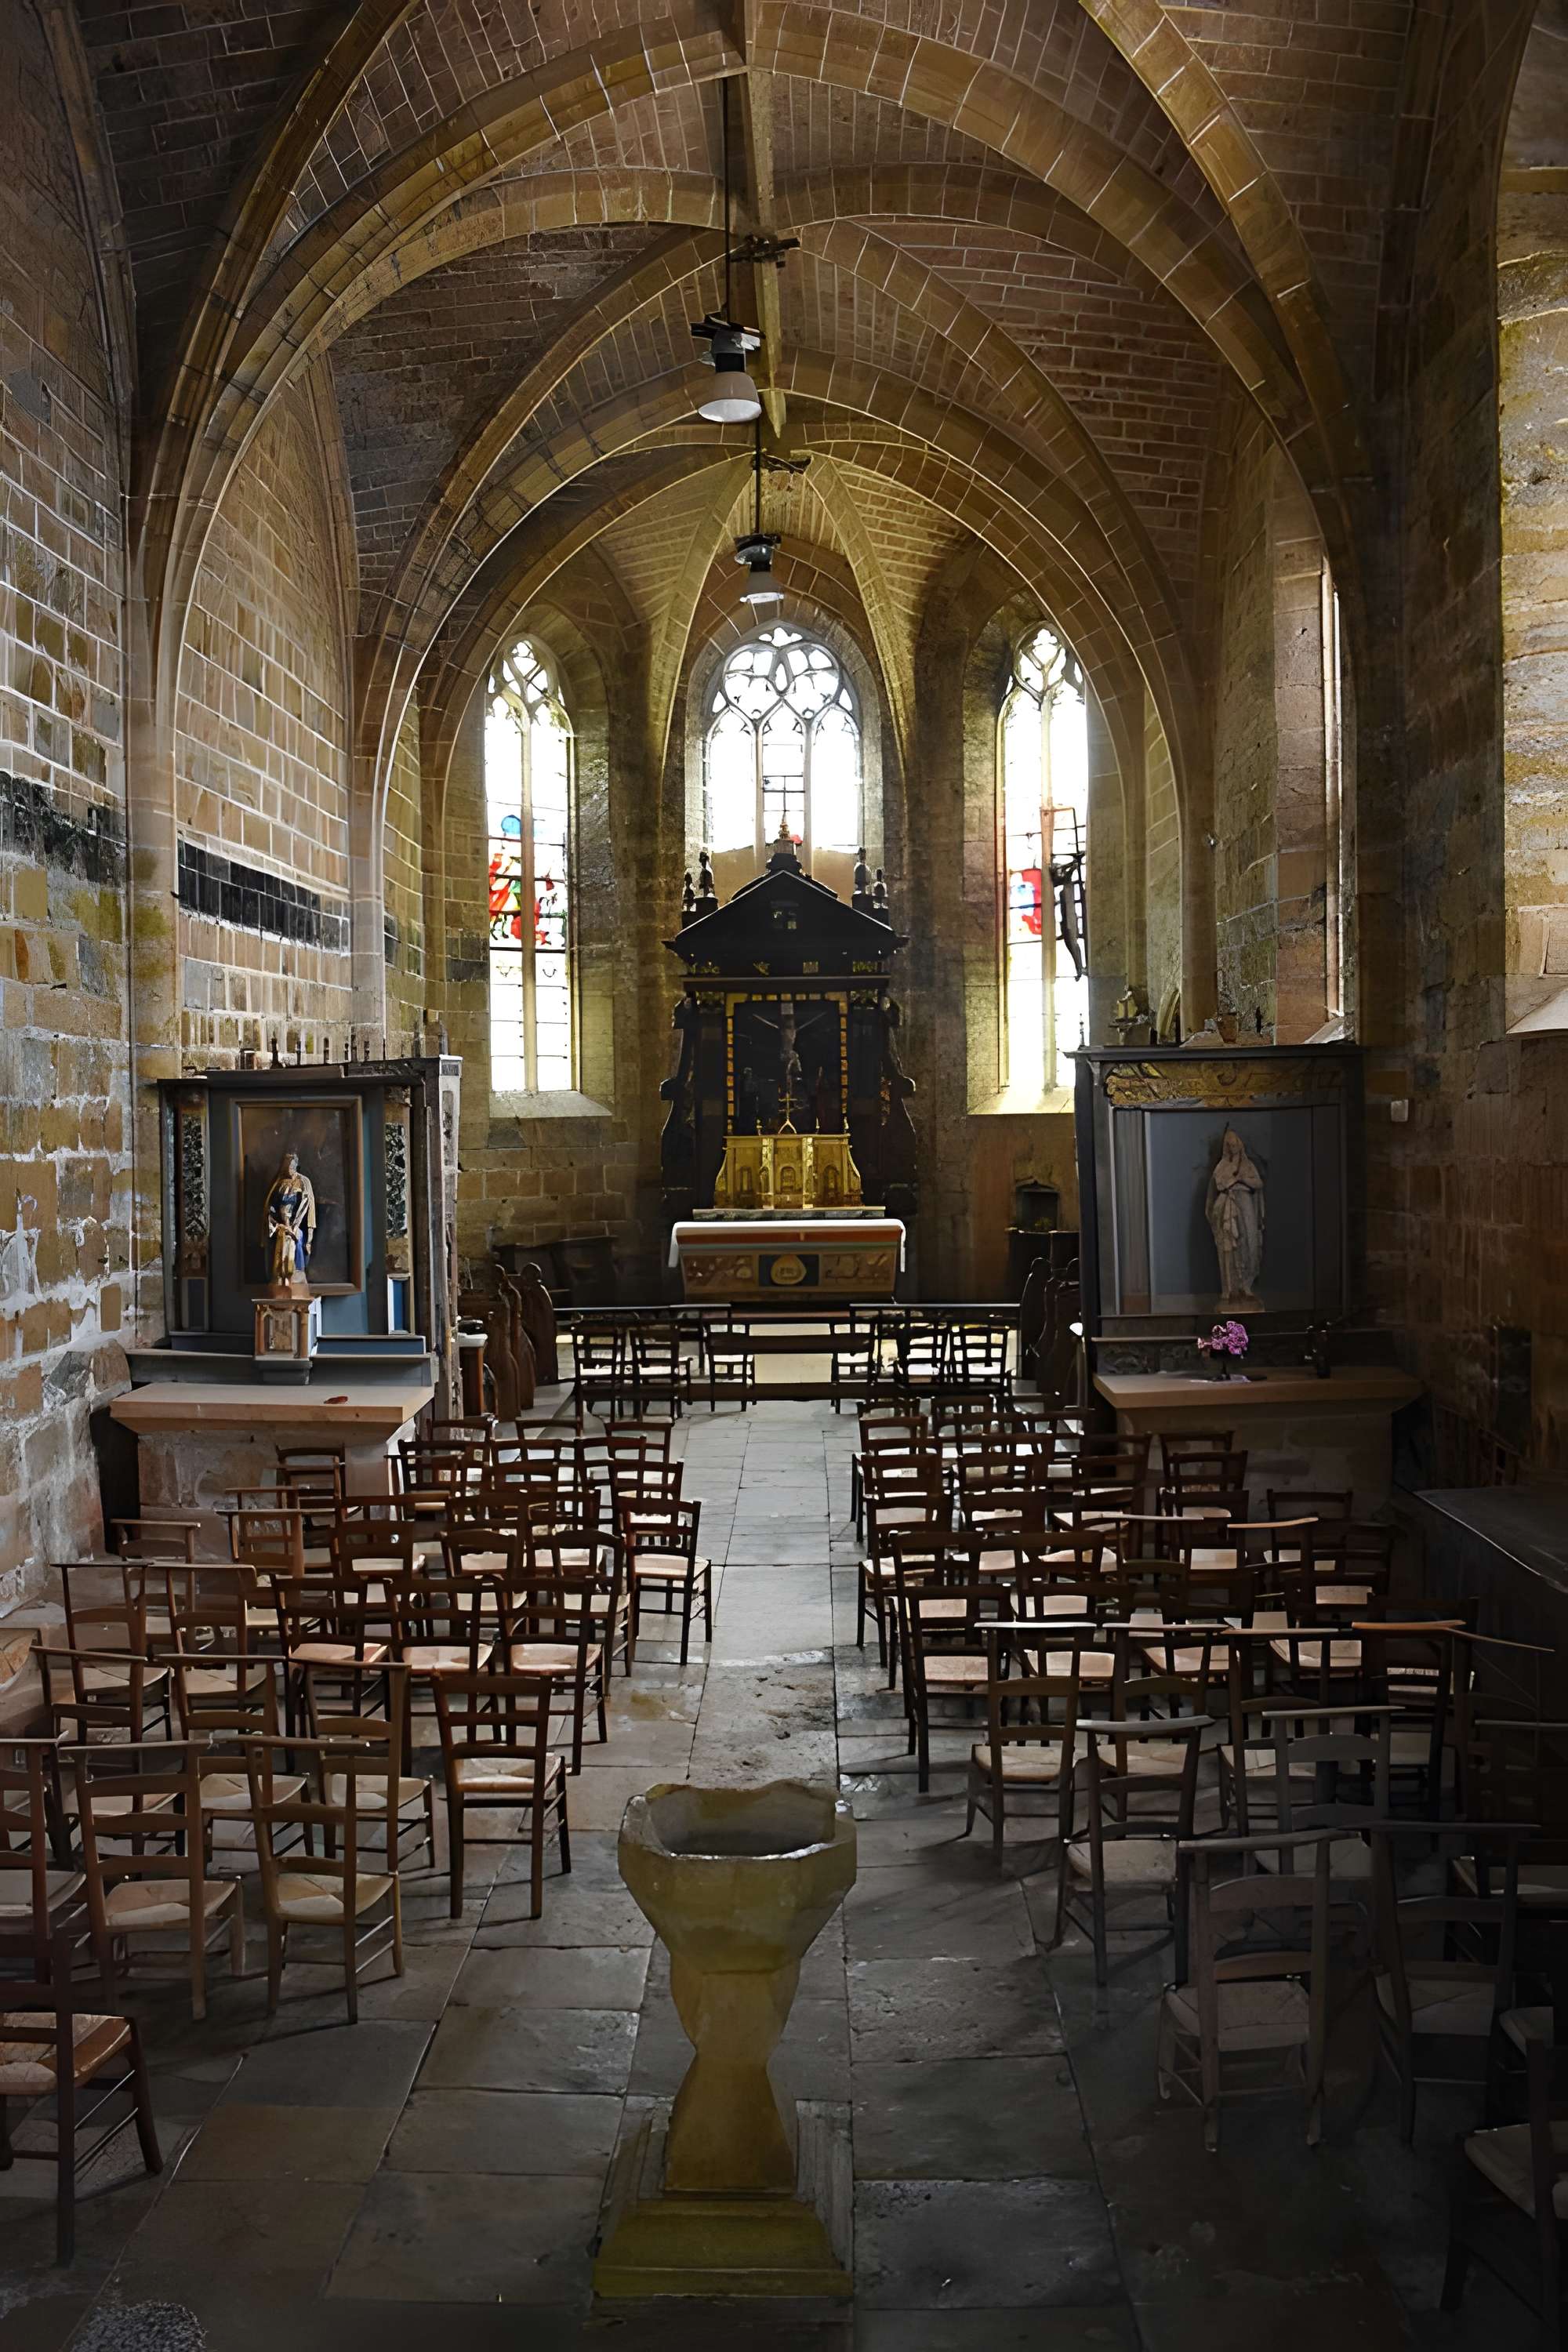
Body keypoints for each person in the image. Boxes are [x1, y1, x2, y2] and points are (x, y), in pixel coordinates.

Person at [1205, 1127, 1264, 1309]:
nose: (1232, 1147)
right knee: (1229, 1247)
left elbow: (1258, 1183)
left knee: (1249, 1244)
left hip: (1245, 1204)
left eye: (1234, 1144)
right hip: (1227, 1207)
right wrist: (1233, 1180)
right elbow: (1219, 1184)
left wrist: (1241, 1179)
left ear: (1240, 1144)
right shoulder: (1222, 1166)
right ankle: (1230, 1289)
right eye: (1229, 1145)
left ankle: (1246, 1286)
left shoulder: (1248, 1165)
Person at [263, 1150, 317, 1287]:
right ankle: (280, 1276)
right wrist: (278, 1224)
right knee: (282, 1240)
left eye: (292, 1166)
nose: (289, 1169)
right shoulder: (280, 1183)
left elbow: (306, 1207)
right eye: (287, 1166)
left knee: (296, 1239)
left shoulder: (303, 1182)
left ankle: (297, 1275)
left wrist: (294, 1226)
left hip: (298, 1226)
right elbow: (272, 1207)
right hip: (281, 1226)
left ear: (296, 1166)